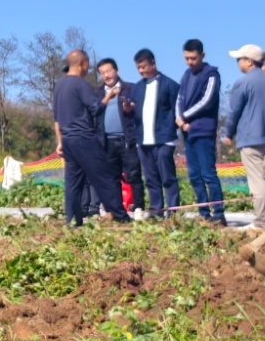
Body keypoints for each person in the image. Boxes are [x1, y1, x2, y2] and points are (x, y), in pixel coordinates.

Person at [53, 50, 128, 226]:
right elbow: (96, 109)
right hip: (84, 139)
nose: (88, 69)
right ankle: (121, 217)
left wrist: (59, 141)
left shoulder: (59, 86)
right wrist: (109, 96)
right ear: (82, 64)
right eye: (87, 65)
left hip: (68, 141)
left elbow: (56, 118)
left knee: (73, 184)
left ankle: (73, 221)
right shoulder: (80, 84)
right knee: (104, 177)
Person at [221, 44, 265, 226]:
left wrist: (228, 134)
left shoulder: (243, 83)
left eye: (240, 59)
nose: (238, 63)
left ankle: (261, 222)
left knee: (258, 182)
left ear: (249, 61)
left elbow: (234, 112)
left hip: (251, 139)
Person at [175, 39, 224, 224]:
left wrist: (185, 117)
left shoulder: (211, 75)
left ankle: (218, 213)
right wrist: (180, 121)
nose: (190, 62)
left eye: (193, 58)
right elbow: (179, 99)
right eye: (186, 58)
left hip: (204, 131)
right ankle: (204, 213)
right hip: (188, 133)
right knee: (194, 175)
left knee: (208, 174)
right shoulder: (186, 76)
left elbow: (207, 100)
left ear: (202, 56)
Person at [132, 49, 180, 217]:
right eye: (138, 68)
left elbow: (178, 110)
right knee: (151, 178)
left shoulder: (170, 85)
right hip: (143, 140)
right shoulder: (137, 88)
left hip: (164, 139)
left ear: (153, 63)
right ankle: (156, 210)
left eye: (144, 67)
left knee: (167, 177)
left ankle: (173, 211)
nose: (141, 71)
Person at [96, 58, 144, 214]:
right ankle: (116, 210)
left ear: (117, 71)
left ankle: (138, 207)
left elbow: (141, 111)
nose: (106, 75)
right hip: (107, 141)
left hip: (127, 139)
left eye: (109, 71)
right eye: (102, 73)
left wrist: (131, 108)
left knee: (133, 174)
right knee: (112, 176)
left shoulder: (130, 88)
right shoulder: (97, 93)